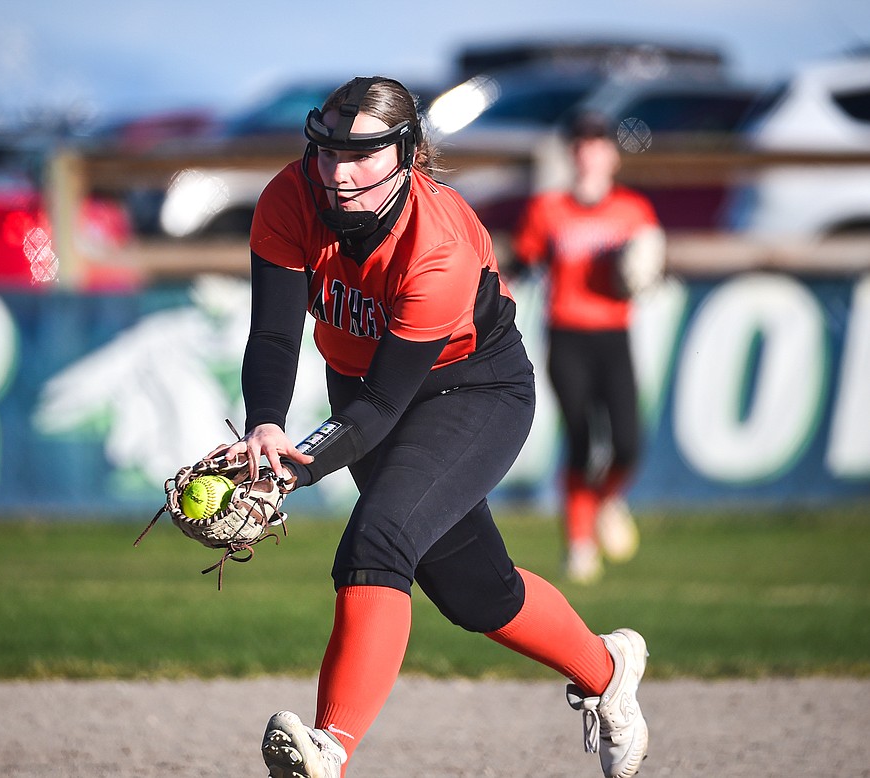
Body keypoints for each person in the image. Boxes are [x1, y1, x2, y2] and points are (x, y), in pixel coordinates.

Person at [218, 76, 649, 778]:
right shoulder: (289, 197)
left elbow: (384, 410)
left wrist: (293, 469)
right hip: (357, 383)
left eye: (362, 153)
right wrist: (266, 427)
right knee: (477, 592)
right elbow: (273, 337)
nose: (338, 171)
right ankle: (608, 669)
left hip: (471, 390)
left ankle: (329, 750)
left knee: (379, 537)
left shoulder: (437, 242)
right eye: (327, 150)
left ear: (407, 153)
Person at [510, 111, 665, 584]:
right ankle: (579, 544)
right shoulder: (547, 209)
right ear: (571, 152)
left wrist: (643, 271)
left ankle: (605, 499)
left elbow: (650, 267)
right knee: (580, 438)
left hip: (613, 337)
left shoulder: (634, 211)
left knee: (627, 445)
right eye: (580, 142)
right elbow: (522, 264)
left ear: (612, 155)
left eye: (597, 142)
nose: (588, 150)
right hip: (567, 336)